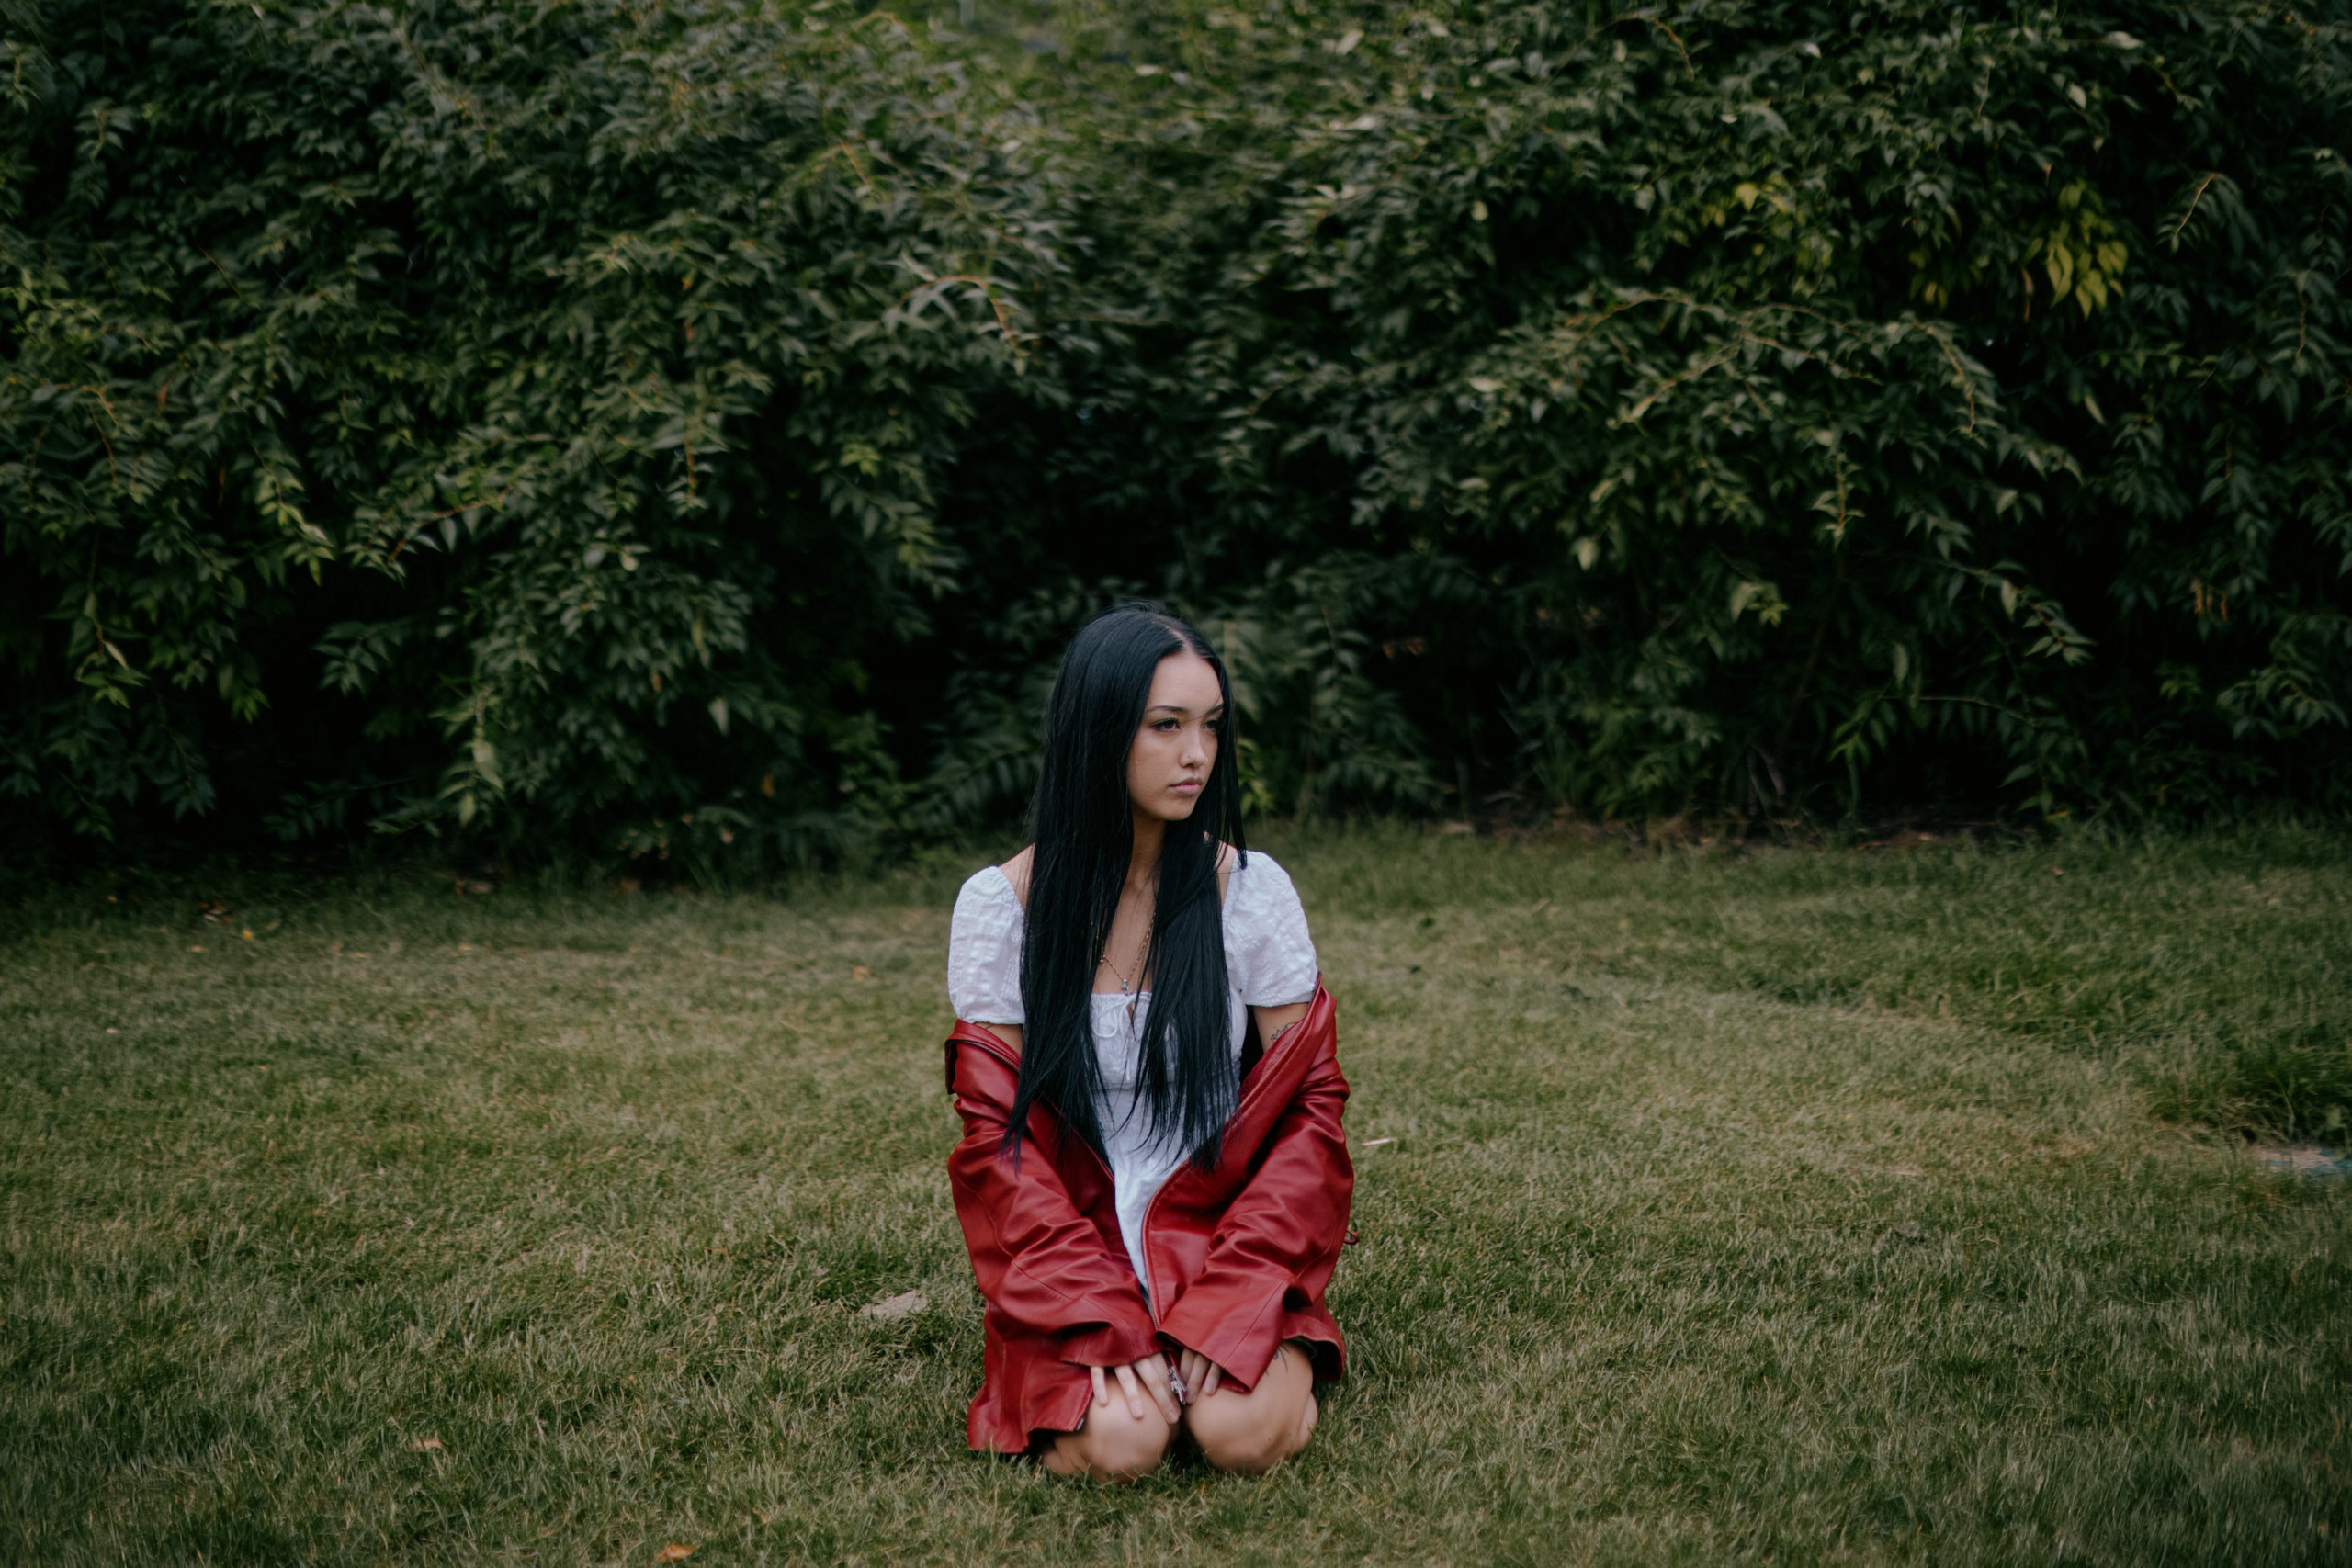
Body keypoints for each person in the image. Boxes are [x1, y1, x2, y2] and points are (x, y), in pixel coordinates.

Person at [943, 603, 1353, 1481]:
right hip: (1073, 1243)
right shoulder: (1002, 907)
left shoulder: (1250, 891)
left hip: (1222, 1229)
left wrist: (1238, 1287)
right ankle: (1116, 1362)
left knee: (1237, 1434)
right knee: (1124, 1444)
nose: (1197, 753)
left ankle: (1268, 1359)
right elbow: (996, 1144)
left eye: (1211, 725)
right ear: (1099, 732)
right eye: (1166, 725)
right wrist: (1092, 1303)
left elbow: (1309, 1116)